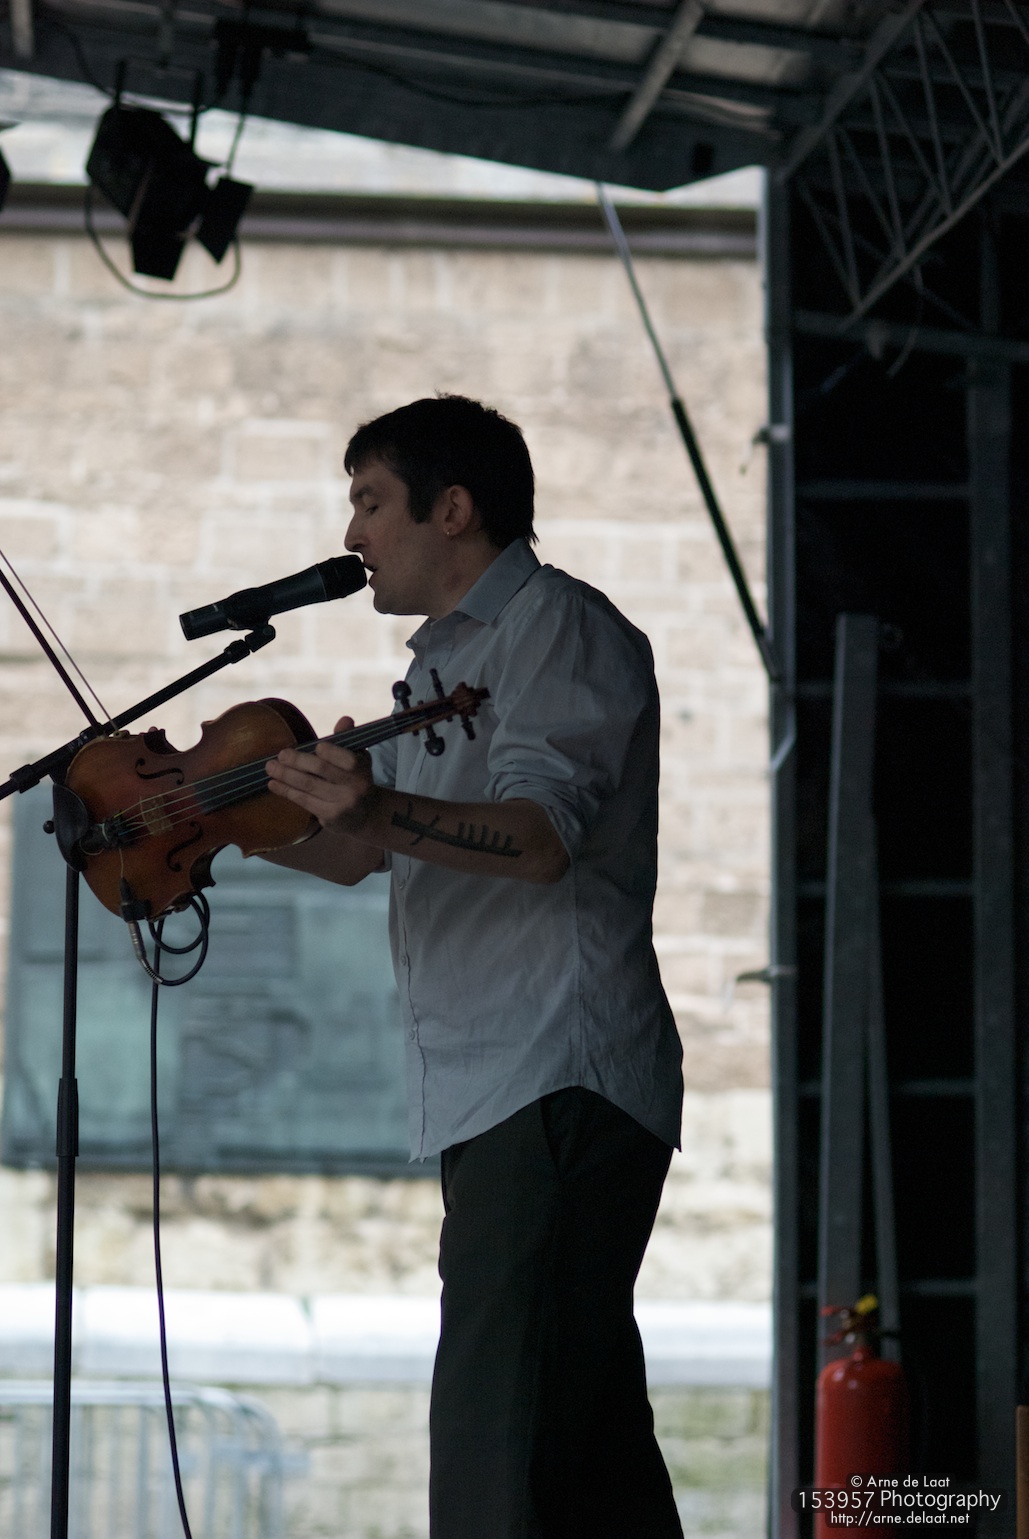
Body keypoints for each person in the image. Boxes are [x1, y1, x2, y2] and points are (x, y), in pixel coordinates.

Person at [263, 395, 684, 1539]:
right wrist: (231, 832)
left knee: (499, 1446)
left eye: (370, 502)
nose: (351, 533)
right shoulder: (446, 661)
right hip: (502, 1085)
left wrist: (377, 807)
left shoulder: (559, 627)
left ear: (452, 510)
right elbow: (367, 853)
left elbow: (540, 840)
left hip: (555, 1072)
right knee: (585, 1451)